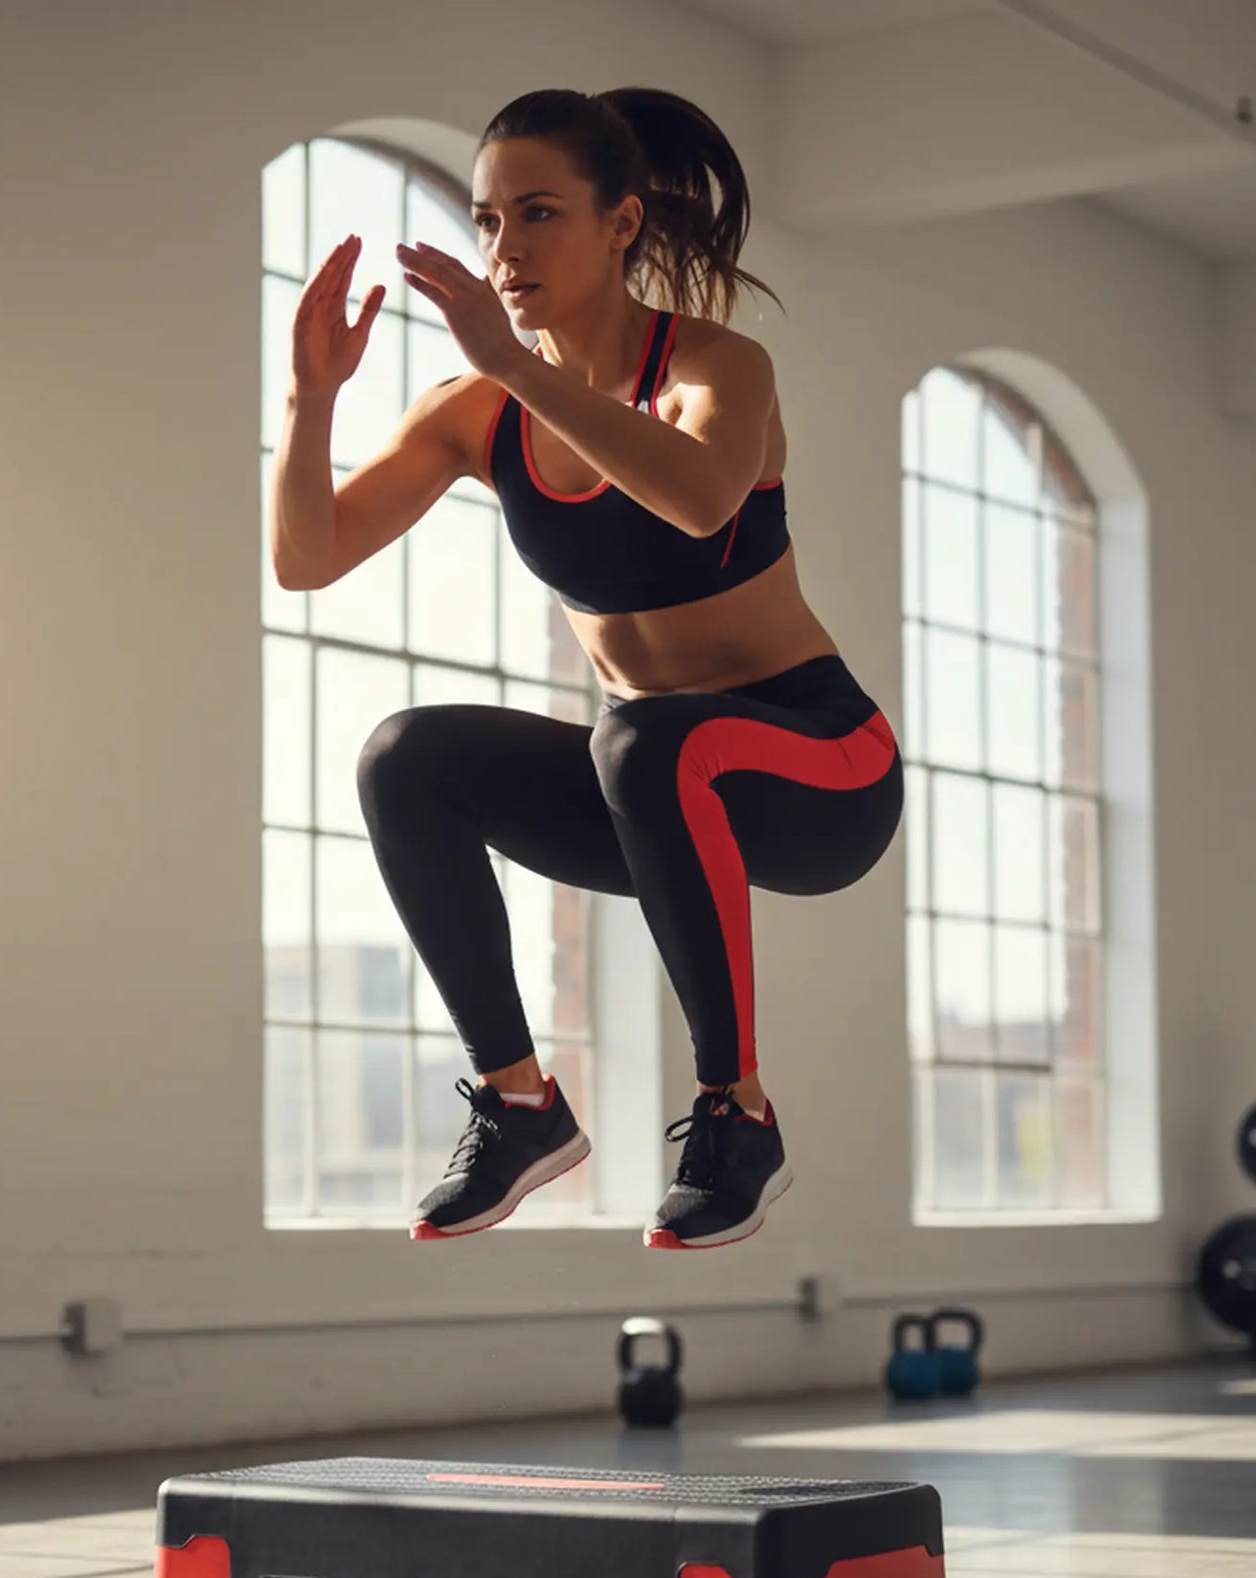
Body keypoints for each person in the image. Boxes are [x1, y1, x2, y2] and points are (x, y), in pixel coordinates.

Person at [268, 86, 902, 1249]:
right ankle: (518, 1102)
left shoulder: (717, 369)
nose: (504, 249)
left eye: (538, 213)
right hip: (652, 793)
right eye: (487, 221)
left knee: (649, 732)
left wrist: (516, 366)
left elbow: (700, 496)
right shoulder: (477, 409)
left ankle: (736, 1112)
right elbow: (307, 559)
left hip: (819, 771)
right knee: (407, 757)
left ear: (620, 225)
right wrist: (310, 400)